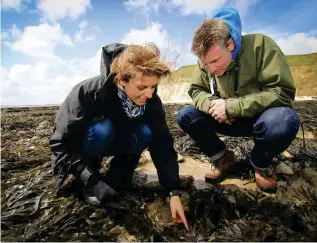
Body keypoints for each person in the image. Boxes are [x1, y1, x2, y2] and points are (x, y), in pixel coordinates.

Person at [49, 43, 189, 230]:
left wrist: (173, 191)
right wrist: (92, 181)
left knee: (146, 132)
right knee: (102, 130)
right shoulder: (87, 92)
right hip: (90, 145)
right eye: (142, 87)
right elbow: (61, 144)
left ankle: (121, 173)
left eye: (153, 87)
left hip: (121, 141)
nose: (149, 94)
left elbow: (162, 143)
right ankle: (92, 174)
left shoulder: (152, 101)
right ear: (121, 79)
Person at [176, 7, 299, 192]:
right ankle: (223, 159)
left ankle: (260, 164)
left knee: (285, 121)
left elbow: (282, 92)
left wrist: (232, 106)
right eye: (205, 63)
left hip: (261, 119)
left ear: (230, 45)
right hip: (225, 118)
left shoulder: (262, 45)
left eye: (215, 61)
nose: (210, 69)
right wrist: (212, 106)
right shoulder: (207, 58)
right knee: (185, 115)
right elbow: (195, 91)